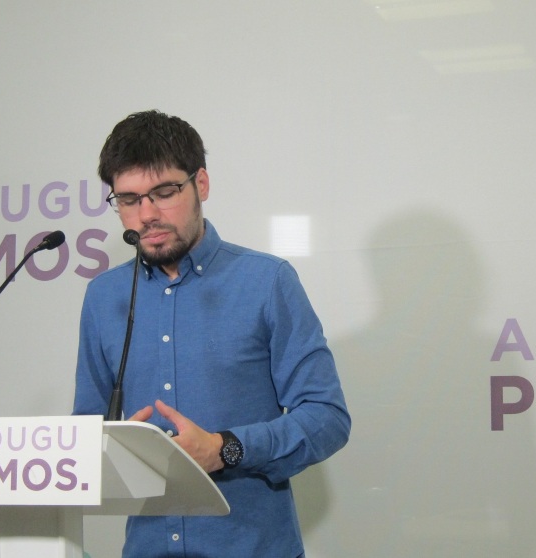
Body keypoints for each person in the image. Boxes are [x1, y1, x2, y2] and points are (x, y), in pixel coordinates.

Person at [73, 110, 351, 557]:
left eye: (164, 193)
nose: (146, 215)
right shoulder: (104, 298)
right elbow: (85, 431)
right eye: (128, 199)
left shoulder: (267, 281)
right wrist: (112, 450)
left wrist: (227, 448)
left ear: (200, 184)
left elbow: (326, 417)